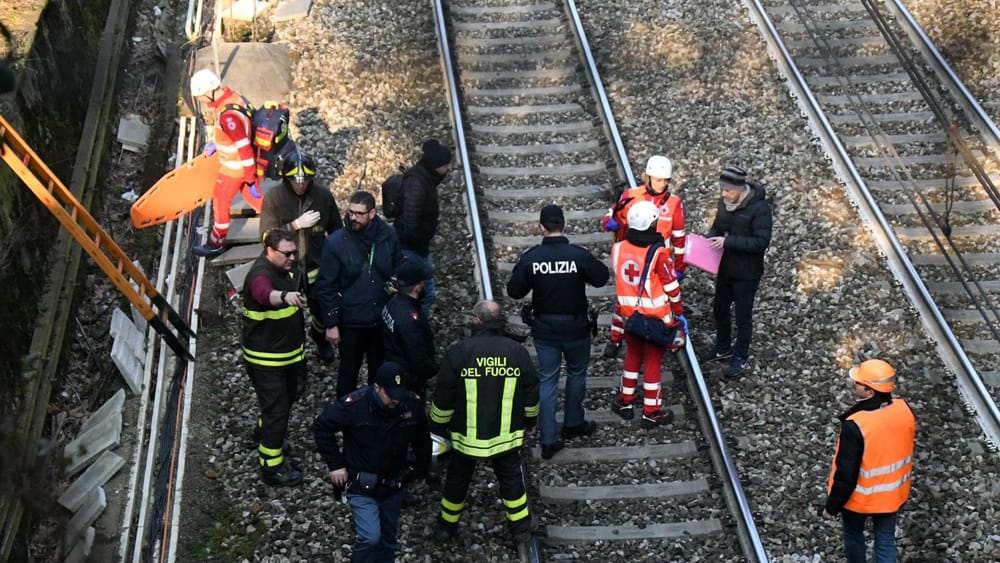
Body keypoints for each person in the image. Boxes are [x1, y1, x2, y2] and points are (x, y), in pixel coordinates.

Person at [429, 300, 539, 561]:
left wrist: (436, 427)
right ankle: (521, 530)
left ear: (477, 321)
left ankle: (447, 527)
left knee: (457, 481)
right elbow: (531, 393)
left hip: (466, 440)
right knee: (512, 483)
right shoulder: (517, 352)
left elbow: (443, 397)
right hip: (506, 438)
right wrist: (530, 422)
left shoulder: (460, 352)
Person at [506, 204, 609, 460]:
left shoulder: (532, 257)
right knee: (576, 373)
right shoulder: (578, 255)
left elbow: (514, 291)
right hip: (576, 329)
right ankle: (574, 423)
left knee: (548, 380)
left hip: (546, 331)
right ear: (565, 225)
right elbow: (601, 277)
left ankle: (549, 439)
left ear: (541, 227)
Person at [313, 361, 426, 563]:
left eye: (398, 396)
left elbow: (422, 439)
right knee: (370, 537)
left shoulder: (411, 404)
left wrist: (420, 470)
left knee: (388, 539)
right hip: (361, 484)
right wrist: (336, 465)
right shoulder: (354, 406)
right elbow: (321, 427)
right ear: (377, 387)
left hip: (394, 484)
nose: (394, 401)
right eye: (389, 396)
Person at [822, 359, 915, 563]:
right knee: (885, 540)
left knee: (854, 536)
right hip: (891, 496)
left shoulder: (855, 425)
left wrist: (832, 506)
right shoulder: (903, 410)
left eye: (858, 383)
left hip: (859, 500)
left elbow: (846, 473)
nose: (855, 385)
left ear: (869, 391)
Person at [259, 149, 343, 364]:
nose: (301, 185)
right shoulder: (275, 198)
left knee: (323, 311)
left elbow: (336, 231)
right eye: (296, 181)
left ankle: (320, 339)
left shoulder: (322, 197)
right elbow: (267, 236)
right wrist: (294, 226)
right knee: (287, 315)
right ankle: (293, 351)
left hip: (316, 267)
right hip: (287, 270)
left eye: (305, 181)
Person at [316, 191, 401, 399]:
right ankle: (345, 414)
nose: (353, 217)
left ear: (372, 214)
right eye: (351, 212)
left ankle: (374, 414)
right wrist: (331, 323)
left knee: (379, 372)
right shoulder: (336, 242)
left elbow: (398, 264)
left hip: (380, 318)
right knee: (348, 373)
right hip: (351, 321)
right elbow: (326, 284)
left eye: (359, 214)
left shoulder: (388, 235)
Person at [601, 155, 686, 357]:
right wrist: (610, 222)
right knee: (623, 301)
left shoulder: (674, 203)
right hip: (632, 257)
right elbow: (609, 216)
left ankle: (659, 337)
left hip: (658, 262)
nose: (662, 184)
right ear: (647, 177)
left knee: (657, 305)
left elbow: (679, 238)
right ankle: (615, 338)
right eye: (658, 180)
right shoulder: (631, 195)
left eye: (666, 180)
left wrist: (680, 267)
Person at [609, 201, 684, 429]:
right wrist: (678, 313)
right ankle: (651, 411)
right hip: (655, 318)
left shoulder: (619, 248)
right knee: (652, 362)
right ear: (652, 224)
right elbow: (671, 287)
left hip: (629, 317)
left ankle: (625, 401)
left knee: (632, 355)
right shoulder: (658, 253)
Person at [241, 228, 307, 487]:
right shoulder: (261, 275)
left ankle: (265, 430)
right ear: (269, 251)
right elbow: (263, 294)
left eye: (295, 252)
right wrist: (284, 296)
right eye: (287, 253)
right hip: (267, 360)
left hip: (287, 355)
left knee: (286, 399)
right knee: (278, 410)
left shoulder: (284, 268)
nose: (292, 257)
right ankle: (271, 466)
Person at [699, 165, 773, 377]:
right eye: (722, 190)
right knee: (720, 309)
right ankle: (723, 347)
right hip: (725, 269)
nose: (724, 194)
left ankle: (740, 355)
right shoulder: (724, 203)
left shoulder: (759, 209)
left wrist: (728, 241)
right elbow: (717, 227)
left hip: (747, 274)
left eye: (728, 191)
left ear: (740, 189)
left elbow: (761, 242)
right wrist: (707, 239)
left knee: (743, 316)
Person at [189, 69, 262, 258]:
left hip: (234, 169)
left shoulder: (226, 115)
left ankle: (216, 243)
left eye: (200, 97)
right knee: (256, 201)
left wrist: (250, 177)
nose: (201, 101)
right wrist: (218, 143)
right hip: (242, 167)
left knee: (220, 203)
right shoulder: (234, 98)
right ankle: (283, 225)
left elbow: (243, 146)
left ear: (208, 91)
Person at [381, 257, 437, 489]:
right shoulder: (410, 318)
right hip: (408, 382)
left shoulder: (392, 305)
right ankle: (407, 475)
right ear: (417, 286)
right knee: (411, 428)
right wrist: (435, 370)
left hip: (395, 372)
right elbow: (418, 358)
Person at [391, 139, 453, 318]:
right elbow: (411, 222)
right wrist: (420, 249)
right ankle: (417, 325)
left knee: (417, 291)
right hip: (412, 248)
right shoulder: (417, 185)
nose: (449, 168)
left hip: (414, 246)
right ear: (436, 166)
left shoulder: (424, 178)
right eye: (446, 164)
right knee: (427, 293)